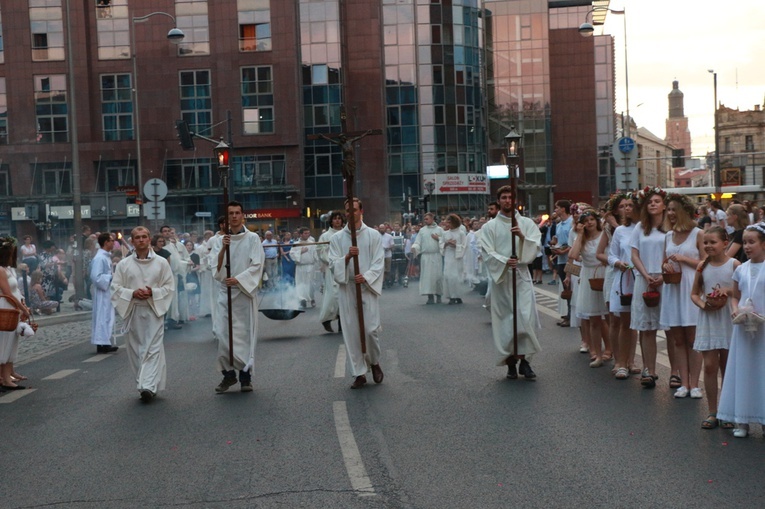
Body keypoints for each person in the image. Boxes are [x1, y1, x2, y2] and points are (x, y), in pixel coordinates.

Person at [480, 186, 542, 380]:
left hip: (521, 277)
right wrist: (504, 260)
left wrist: (522, 237)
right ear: (499, 201)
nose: (508, 200)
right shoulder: (489, 227)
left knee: (525, 317)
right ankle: (510, 363)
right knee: (506, 322)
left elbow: (536, 245)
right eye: (504, 197)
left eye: (511, 197)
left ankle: (525, 361)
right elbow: (487, 251)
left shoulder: (526, 223)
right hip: (502, 278)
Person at [110, 227, 175, 402]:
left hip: (153, 309)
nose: (141, 240)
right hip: (133, 310)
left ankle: (147, 385)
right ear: (132, 241)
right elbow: (115, 288)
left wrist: (152, 292)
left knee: (152, 349)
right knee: (137, 350)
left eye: (144, 237)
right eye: (137, 237)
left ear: (149, 240)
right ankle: (146, 383)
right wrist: (132, 293)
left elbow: (169, 287)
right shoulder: (124, 264)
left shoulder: (161, 263)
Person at [329, 198, 385, 389]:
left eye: (353, 210)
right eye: (347, 211)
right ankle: (359, 373)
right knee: (352, 332)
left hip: (366, 287)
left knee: (370, 329)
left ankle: (374, 361)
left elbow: (379, 262)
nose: (349, 214)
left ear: (361, 210)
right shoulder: (337, 239)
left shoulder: (373, 235)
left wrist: (367, 277)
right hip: (348, 288)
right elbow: (332, 263)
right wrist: (346, 257)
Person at [209, 201, 265, 393]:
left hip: (243, 293)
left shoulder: (252, 239)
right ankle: (228, 375)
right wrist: (224, 248)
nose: (233, 216)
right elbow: (215, 269)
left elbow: (257, 264)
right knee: (223, 335)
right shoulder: (219, 241)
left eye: (237, 213)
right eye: (230, 213)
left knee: (244, 336)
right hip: (226, 293)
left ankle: (245, 377)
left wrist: (239, 280)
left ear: (243, 216)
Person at [717, 223, 765, 437]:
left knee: (761, 371)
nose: (746, 246)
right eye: (744, 242)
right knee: (743, 370)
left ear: (763, 244)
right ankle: (742, 420)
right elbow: (735, 296)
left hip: (763, 327)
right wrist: (735, 310)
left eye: (751, 242)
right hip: (744, 328)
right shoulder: (740, 269)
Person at [691, 227, 738, 430]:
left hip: (728, 318)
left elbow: (742, 291)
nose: (708, 246)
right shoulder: (702, 266)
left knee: (728, 367)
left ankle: (729, 411)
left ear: (725, 243)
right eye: (706, 242)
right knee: (709, 365)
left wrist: (727, 292)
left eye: (713, 242)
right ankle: (712, 411)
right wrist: (704, 305)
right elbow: (694, 293)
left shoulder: (735, 265)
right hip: (709, 319)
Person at [660, 194, 703, 398]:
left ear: (685, 211)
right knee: (677, 339)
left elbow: (706, 263)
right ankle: (684, 384)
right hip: (673, 288)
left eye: (674, 209)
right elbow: (663, 262)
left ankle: (695, 384)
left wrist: (684, 258)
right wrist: (665, 266)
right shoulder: (667, 236)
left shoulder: (698, 234)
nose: (670, 213)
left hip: (691, 288)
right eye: (668, 209)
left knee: (693, 338)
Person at [630, 187, 668, 389]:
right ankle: (649, 370)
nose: (653, 204)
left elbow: (672, 252)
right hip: (644, 278)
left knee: (671, 328)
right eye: (650, 202)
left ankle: (676, 373)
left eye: (657, 201)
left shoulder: (670, 227)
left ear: (664, 205)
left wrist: (663, 275)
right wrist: (645, 275)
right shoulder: (640, 228)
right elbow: (634, 254)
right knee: (647, 328)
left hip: (666, 279)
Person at [606, 193, 640, 379]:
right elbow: (611, 255)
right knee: (622, 321)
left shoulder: (644, 229)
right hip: (624, 277)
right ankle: (619, 362)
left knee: (636, 323)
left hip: (641, 278)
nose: (627, 208)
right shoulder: (620, 231)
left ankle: (632, 360)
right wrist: (618, 263)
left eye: (630, 205)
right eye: (624, 205)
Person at [569, 210, 609, 367]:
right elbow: (572, 255)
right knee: (593, 317)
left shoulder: (604, 234)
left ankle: (610, 349)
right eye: (586, 220)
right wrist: (579, 235)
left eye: (592, 219)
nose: (590, 223)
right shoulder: (582, 238)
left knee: (607, 317)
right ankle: (596, 353)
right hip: (588, 276)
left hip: (603, 272)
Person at [0, 237, 31, 391]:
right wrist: (21, 308)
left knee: (11, 341)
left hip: (14, 307)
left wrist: (23, 304)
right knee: (4, 342)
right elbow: (8, 293)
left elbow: (15, 291)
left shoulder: (7, 269)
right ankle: (5, 378)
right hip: (7, 306)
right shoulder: (0, 270)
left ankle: (8, 374)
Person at [91, 232, 118, 354]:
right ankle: (102, 343)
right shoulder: (100, 258)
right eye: (111, 240)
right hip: (102, 292)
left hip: (107, 290)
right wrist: (111, 276)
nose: (113, 243)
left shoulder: (105, 256)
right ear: (106, 242)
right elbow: (96, 277)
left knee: (107, 316)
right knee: (102, 316)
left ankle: (105, 341)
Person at [318, 212, 345, 332]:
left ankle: (342, 323)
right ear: (331, 221)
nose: (337, 221)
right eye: (335, 219)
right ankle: (326, 320)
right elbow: (320, 250)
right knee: (333, 295)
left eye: (339, 219)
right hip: (331, 269)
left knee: (344, 296)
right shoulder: (325, 236)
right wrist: (331, 259)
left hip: (345, 267)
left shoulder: (346, 234)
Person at [411, 212, 444, 304]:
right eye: (424, 219)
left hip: (436, 256)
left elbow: (444, 241)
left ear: (432, 219)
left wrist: (438, 239)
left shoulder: (440, 230)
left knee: (438, 276)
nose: (425, 221)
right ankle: (430, 296)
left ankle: (438, 295)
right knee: (427, 277)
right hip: (426, 257)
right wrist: (414, 247)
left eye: (427, 219)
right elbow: (418, 242)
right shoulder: (422, 230)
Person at [551, 200, 573, 326]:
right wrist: (554, 244)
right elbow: (558, 240)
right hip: (560, 260)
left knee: (571, 287)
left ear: (563, 209)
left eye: (557, 208)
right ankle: (568, 313)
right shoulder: (559, 225)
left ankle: (571, 315)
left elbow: (574, 242)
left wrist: (564, 251)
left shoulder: (572, 223)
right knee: (565, 288)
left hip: (570, 259)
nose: (555, 211)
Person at [440, 213, 466, 304]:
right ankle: (451, 296)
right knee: (448, 276)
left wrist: (456, 245)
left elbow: (464, 246)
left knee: (456, 276)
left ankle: (457, 296)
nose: (447, 224)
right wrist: (446, 244)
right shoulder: (445, 233)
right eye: (447, 222)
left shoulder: (461, 233)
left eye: (449, 222)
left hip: (457, 257)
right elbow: (441, 244)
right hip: (448, 256)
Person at [291, 227, 317, 308]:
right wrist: (300, 252)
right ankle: (302, 300)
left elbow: (316, 255)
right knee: (300, 284)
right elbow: (291, 254)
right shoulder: (296, 243)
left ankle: (312, 299)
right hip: (300, 267)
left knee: (310, 284)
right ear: (301, 234)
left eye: (308, 233)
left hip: (310, 266)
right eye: (305, 233)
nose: (307, 235)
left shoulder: (312, 243)